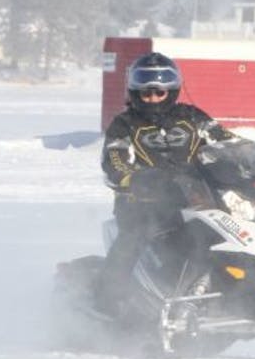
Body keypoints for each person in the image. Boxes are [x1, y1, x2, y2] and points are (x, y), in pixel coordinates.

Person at [95, 51, 235, 315]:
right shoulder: (125, 124)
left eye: (159, 93)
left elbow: (228, 143)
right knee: (133, 236)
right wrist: (137, 178)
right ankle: (107, 300)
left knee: (236, 228)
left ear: (171, 91)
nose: (153, 98)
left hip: (196, 197)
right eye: (147, 93)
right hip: (143, 203)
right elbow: (114, 159)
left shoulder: (193, 118)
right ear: (135, 92)